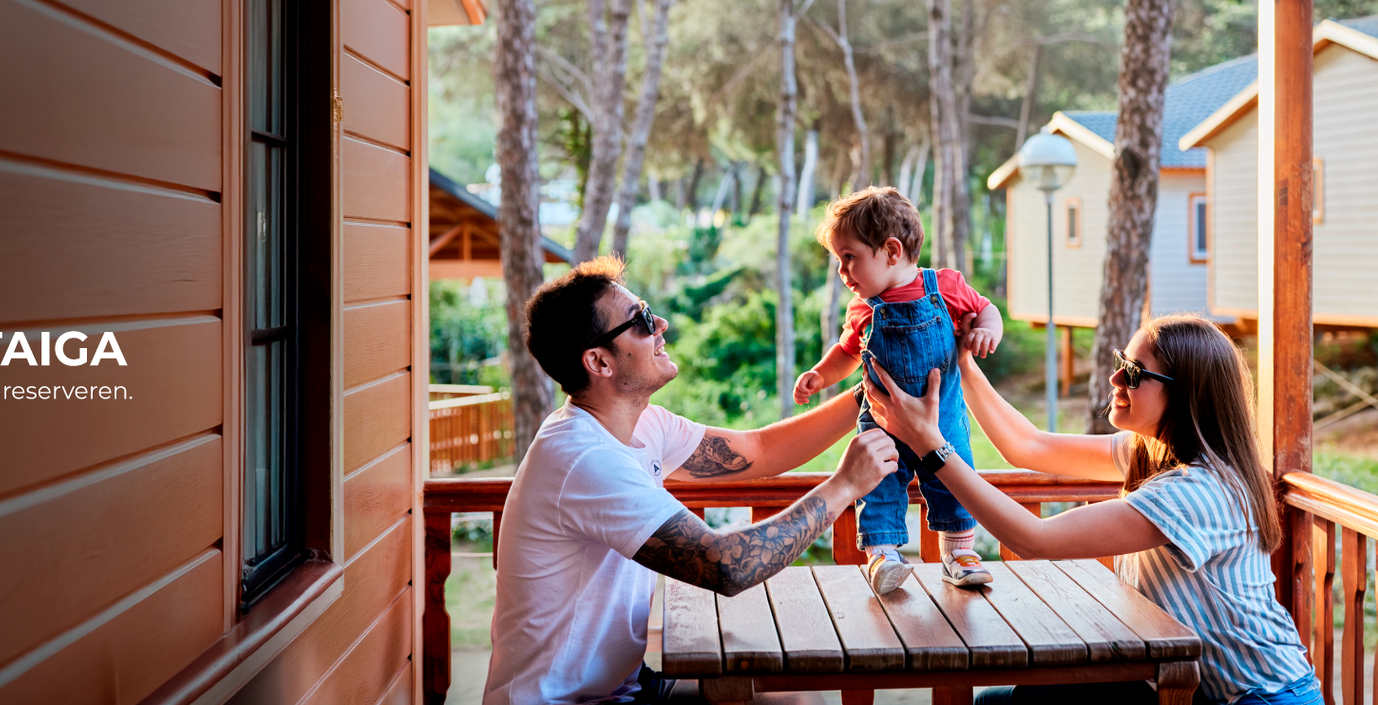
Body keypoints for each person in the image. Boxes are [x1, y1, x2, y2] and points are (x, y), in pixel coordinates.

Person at [483, 256, 900, 705]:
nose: (659, 323)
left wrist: (875, 387)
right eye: (640, 320)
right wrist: (843, 487)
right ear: (599, 361)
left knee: (797, 700)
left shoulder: (642, 424)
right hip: (562, 702)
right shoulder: (582, 460)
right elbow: (726, 565)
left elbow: (759, 451)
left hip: (624, 687)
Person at [864, 313, 1320, 705]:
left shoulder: (1199, 490)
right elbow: (1029, 446)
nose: (1115, 379)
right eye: (1123, 363)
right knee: (1002, 701)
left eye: (1135, 374)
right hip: (1190, 685)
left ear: (1185, 397)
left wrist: (930, 446)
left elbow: (1034, 540)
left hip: (1262, 695)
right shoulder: (1152, 450)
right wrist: (962, 363)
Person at [792, 187, 1004, 593]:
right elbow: (847, 352)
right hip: (881, 422)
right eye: (839, 260)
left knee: (954, 482)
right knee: (878, 484)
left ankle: (959, 554)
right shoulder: (863, 308)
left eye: (849, 257)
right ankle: (883, 556)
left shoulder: (945, 286)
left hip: (941, 418)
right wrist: (820, 375)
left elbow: (985, 308)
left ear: (890, 250)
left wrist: (985, 330)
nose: (842, 271)